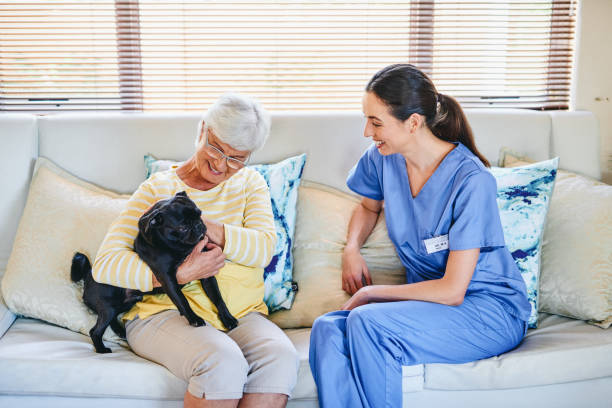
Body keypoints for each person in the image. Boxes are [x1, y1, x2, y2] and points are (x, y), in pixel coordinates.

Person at [309, 64, 532, 408]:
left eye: (376, 122)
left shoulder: (472, 181)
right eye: (366, 119)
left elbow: (453, 290)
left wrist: (370, 293)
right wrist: (351, 248)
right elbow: (370, 207)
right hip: (426, 304)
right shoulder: (383, 158)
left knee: (368, 323)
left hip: (488, 309)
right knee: (326, 329)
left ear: (413, 122)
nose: (367, 131)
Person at [93, 93, 299, 408]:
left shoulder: (250, 184)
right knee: (222, 361)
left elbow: (264, 250)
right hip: (163, 314)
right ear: (202, 129)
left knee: (281, 358)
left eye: (236, 158)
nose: (221, 164)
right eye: (216, 148)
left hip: (239, 314)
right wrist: (179, 274)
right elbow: (106, 264)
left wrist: (207, 225)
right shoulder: (157, 190)